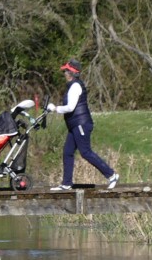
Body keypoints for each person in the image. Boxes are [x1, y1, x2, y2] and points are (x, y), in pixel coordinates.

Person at [44, 59, 119, 191]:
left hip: (81, 124)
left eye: (66, 71)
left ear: (72, 73)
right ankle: (66, 183)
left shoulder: (75, 86)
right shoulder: (72, 86)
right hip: (75, 125)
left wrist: (55, 108)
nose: (64, 73)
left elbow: (70, 107)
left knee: (85, 152)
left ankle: (112, 175)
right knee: (67, 152)